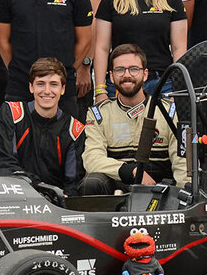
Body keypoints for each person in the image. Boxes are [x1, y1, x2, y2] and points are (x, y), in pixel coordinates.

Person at [79, 44, 189, 194]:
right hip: (118, 186)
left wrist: (184, 197)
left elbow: (182, 162)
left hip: (160, 189)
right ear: (111, 76)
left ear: (145, 74)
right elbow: (91, 159)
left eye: (133, 69)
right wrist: (131, 171)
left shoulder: (169, 111)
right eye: (120, 70)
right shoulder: (99, 114)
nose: (127, 75)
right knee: (91, 182)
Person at [0, 57, 86, 195]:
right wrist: (38, 186)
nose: (47, 91)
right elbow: (4, 165)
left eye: (54, 84)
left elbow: (72, 183)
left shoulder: (74, 130)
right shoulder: (12, 113)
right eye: (41, 84)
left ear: (63, 89)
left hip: (55, 202)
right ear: (31, 87)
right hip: (15, 194)